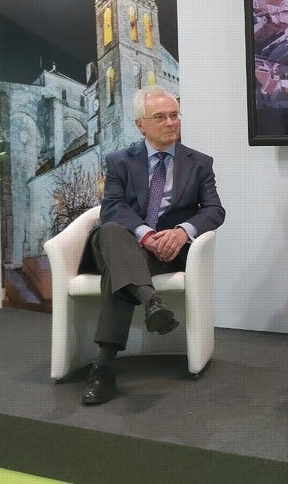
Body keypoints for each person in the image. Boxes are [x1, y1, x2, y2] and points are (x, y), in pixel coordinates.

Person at [80, 86, 226, 405]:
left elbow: (215, 210)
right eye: (160, 117)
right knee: (112, 231)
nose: (171, 122)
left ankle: (103, 370)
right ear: (141, 124)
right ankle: (151, 301)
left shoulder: (199, 163)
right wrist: (145, 235)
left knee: (120, 274)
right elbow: (112, 207)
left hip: (166, 253)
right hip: (123, 242)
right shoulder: (119, 161)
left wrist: (182, 232)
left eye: (174, 115)